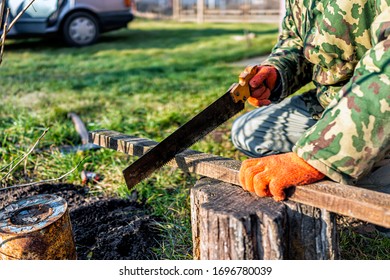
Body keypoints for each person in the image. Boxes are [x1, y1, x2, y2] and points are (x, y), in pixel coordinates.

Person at [231, 0, 390, 202]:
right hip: (332, 104)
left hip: (379, 107)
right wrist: (278, 72)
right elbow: (297, 39)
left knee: (363, 196)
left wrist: (318, 156)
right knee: (250, 132)